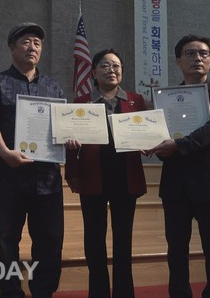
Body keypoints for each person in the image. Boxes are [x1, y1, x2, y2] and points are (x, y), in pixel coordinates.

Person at [145, 35, 210, 298]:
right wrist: (151, 141)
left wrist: (178, 146)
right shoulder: (165, 98)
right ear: (178, 61)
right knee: (176, 250)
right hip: (176, 186)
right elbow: (161, 134)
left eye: (203, 53)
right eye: (190, 53)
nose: (197, 58)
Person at [0, 22, 64, 298]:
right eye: (26, 42)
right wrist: (5, 152)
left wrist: (71, 136)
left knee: (50, 241)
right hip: (9, 175)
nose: (33, 47)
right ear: (11, 48)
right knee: (7, 241)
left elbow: (63, 125)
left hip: (48, 178)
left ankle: (43, 292)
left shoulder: (53, 86)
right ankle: (11, 292)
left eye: (38, 43)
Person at [64, 49, 147, 298]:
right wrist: (72, 173)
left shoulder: (136, 100)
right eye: (105, 66)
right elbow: (71, 144)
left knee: (124, 241)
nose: (112, 70)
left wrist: (151, 141)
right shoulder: (82, 102)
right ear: (94, 72)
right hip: (92, 177)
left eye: (117, 66)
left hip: (126, 178)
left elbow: (145, 134)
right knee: (94, 242)